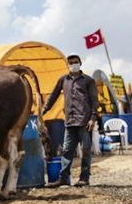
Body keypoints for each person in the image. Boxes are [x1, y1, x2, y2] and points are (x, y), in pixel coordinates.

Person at [42, 52, 100, 187]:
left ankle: (84, 178)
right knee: (67, 151)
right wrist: (44, 110)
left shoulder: (88, 80)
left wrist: (92, 118)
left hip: (84, 121)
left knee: (85, 150)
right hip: (69, 121)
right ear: (68, 65)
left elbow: (94, 101)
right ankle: (64, 179)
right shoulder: (63, 80)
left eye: (76, 62)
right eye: (71, 62)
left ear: (80, 63)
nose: (74, 64)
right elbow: (53, 96)